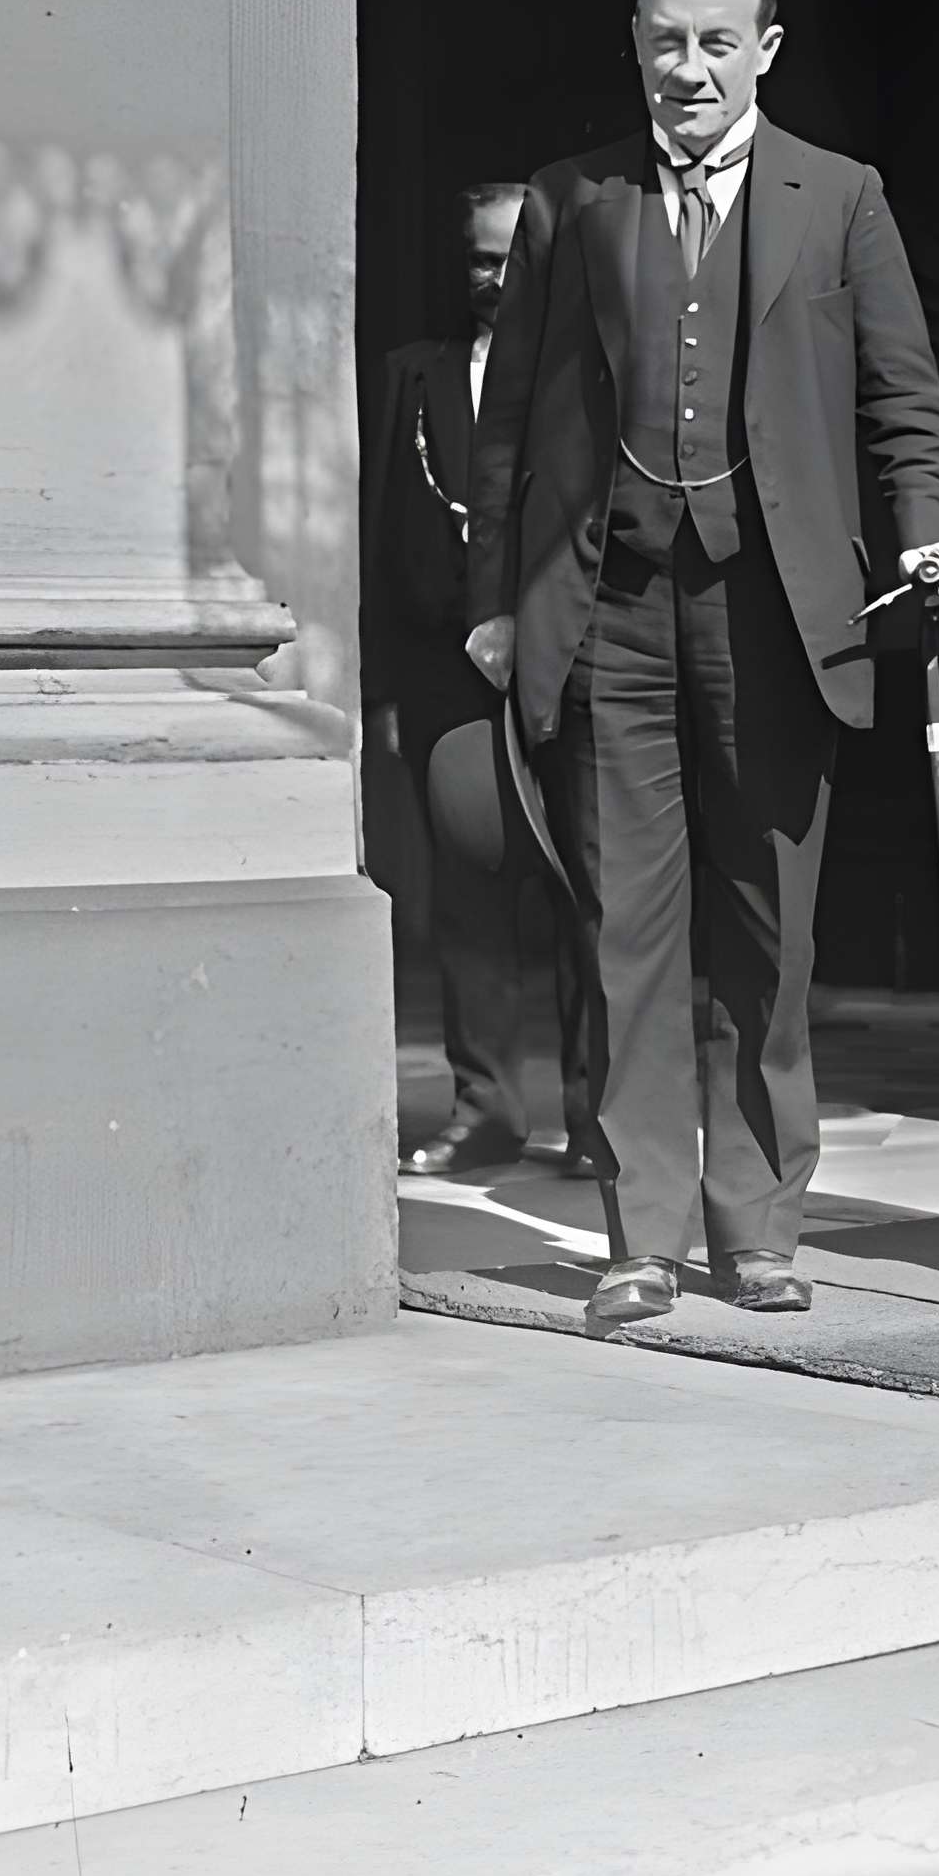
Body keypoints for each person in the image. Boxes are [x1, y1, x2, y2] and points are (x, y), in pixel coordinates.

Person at [464, 0, 939, 1327]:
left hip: (776, 616)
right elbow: (509, 424)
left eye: (715, 43)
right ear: (635, 42)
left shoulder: (842, 199)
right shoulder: (575, 201)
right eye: (664, 41)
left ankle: (757, 1231)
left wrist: (931, 525)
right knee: (627, 930)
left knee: (768, 934)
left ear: (767, 51)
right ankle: (640, 1238)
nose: (688, 70)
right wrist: (496, 606)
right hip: (609, 607)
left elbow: (904, 402)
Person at [370, 182, 591, 1180]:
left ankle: (600, 1118)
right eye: (478, 258)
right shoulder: (411, 378)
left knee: (592, 889)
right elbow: (381, 532)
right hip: (442, 676)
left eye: (513, 257)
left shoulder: (590, 374)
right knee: (466, 894)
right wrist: (383, 684)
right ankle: (487, 1110)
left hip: (574, 668)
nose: (494, 279)